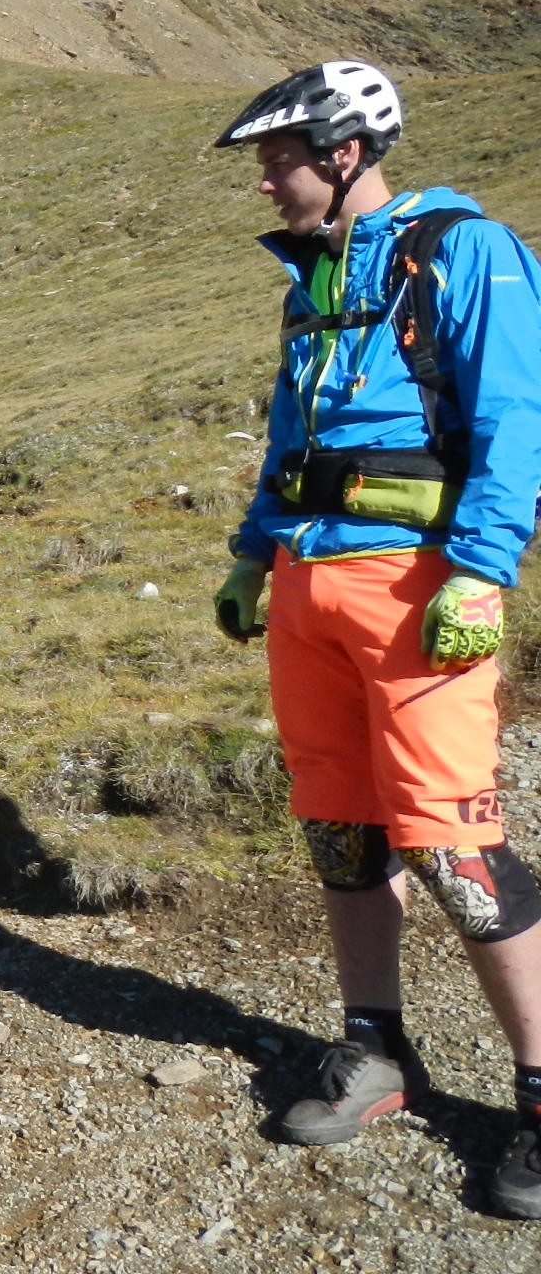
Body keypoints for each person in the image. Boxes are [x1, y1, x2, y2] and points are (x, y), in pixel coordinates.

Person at [211, 60, 541, 1217]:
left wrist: (482, 571)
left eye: (276, 160)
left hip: (416, 586)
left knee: (452, 845)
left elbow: (514, 415)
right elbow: (288, 433)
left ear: (341, 152)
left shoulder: (464, 249)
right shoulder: (310, 281)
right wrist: (253, 553)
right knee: (339, 828)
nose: (265, 181)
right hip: (307, 584)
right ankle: (373, 1052)